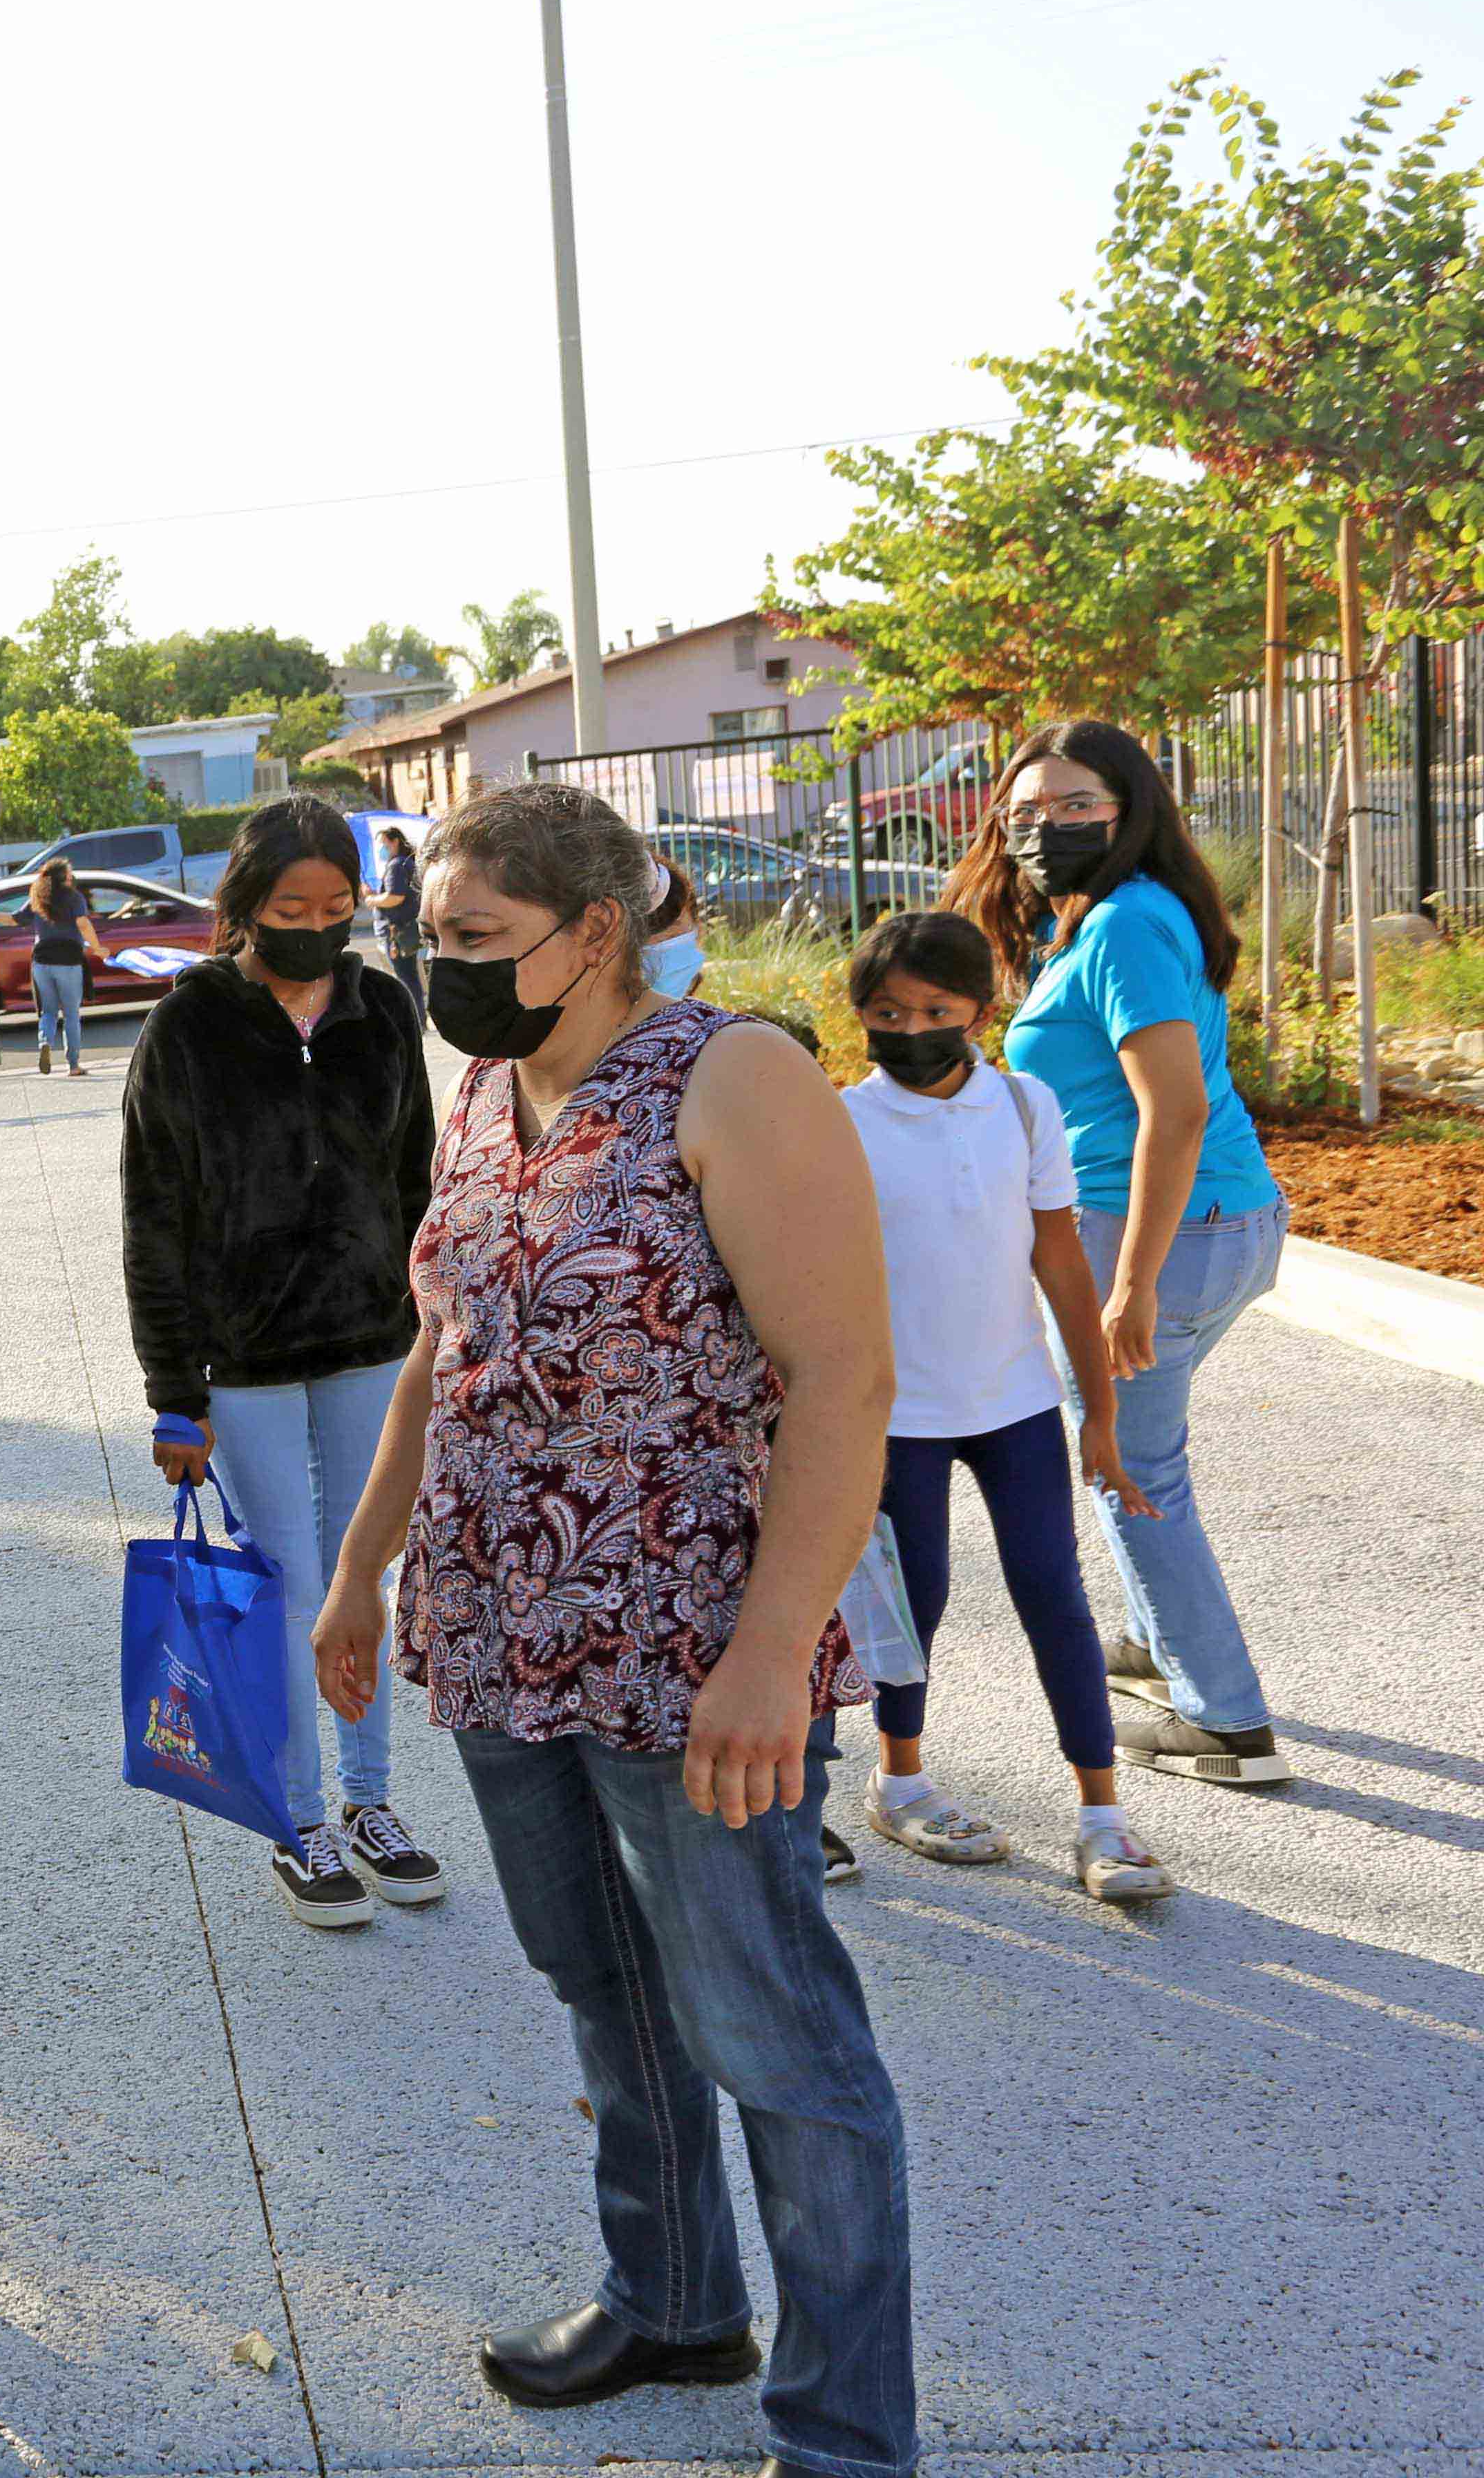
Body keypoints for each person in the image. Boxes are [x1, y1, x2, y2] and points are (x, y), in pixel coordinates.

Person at [312, 783, 915, 2478]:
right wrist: (363, 1570)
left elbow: (843, 1380)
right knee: (603, 1989)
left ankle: (847, 2433)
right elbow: (440, 1354)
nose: (441, 972)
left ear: (594, 932)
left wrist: (763, 1656)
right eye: (425, 941)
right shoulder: (486, 1095)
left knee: (771, 2032)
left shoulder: (734, 1076)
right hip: (504, 1632)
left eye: (475, 942)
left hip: (687, 1648)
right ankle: (668, 2299)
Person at [121, 798, 442, 1930]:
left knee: (368, 1577)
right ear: (243, 905)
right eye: (288, 908)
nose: (314, 926)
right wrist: (172, 1393)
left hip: (370, 1345)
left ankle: (371, 1801)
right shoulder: (187, 1024)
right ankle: (299, 1818)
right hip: (243, 1360)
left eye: (335, 906)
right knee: (293, 1583)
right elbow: (153, 1218)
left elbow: (420, 1179)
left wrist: (436, 1334)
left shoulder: (385, 1006)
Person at [955, 718, 1292, 1790]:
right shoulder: (1110, 915)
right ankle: (1158, 1642)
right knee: (1143, 1455)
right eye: (1028, 812)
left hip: (1157, 1236)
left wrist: (1132, 1286)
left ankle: (1227, 1723)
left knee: (1129, 1468)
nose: (1048, 828)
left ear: (1130, 807)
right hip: (1214, 1225)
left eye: (1076, 806)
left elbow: (1176, 1113)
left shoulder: (1124, 929)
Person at [838, 911, 1173, 1903]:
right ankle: (899, 1782)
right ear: (859, 1014)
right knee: (916, 1601)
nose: (911, 1029)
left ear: (982, 1012)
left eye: (936, 1010)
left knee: (1053, 1596)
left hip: (1016, 1404)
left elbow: (1062, 1264)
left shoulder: (1025, 1109)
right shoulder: (840, 1121)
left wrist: (1099, 1416)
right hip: (898, 1414)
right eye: (887, 1012)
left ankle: (1103, 1820)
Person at [0, 860, 101, 1075]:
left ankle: (45, 1043)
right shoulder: (74, 898)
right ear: (64, 878)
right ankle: (73, 1065)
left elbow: (14, 920)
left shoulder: (37, 899)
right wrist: (97, 947)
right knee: (71, 1014)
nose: (72, 878)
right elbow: (83, 924)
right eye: (69, 875)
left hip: (42, 962)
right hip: (69, 960)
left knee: (48, 1011)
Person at [373, 825, 425, 1011]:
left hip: (397, 932)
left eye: (383, 844)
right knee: (410, 977)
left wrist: (372, 900)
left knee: (405, 978)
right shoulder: (406, 862)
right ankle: (419, 1017)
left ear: (395, 842)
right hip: (407, 928)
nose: (381, 849)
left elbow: (395, 897)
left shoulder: (396, 866)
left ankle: (415, 1019)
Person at [643, 858, 710, 998]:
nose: (658, 941)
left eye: (672, 932)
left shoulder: (708, 1017)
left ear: (698, 928)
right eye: (646, 933)